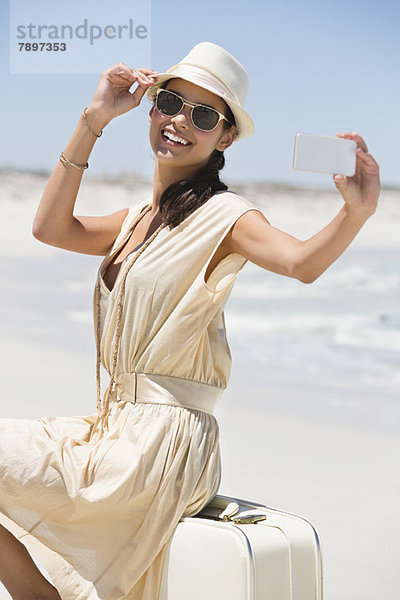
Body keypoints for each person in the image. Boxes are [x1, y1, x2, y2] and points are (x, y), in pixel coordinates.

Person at [0, 41, 380, 600]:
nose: (181, 121)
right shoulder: (138, 218)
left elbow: (301, 263)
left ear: (225, 137)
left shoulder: (226, 215)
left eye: (204, 115)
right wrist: (92, 120)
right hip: (110, 427)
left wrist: (356, 213)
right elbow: (51, 230)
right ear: (151, 105)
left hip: (161, 444)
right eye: (171, 101)